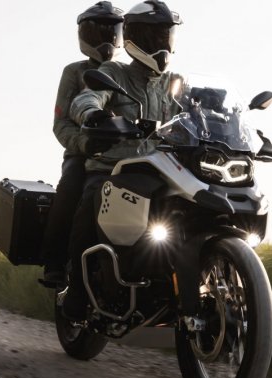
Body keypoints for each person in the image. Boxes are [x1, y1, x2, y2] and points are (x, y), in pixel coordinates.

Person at [60, 0, 189, 324]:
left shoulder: (176, 82)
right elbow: (87, 98)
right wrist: (94, 113)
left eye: (166, 37)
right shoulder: (113, 72)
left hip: (162, 171)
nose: (162, 44)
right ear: (135, 38)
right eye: (155, 37)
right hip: (111, 167)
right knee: (91, 202)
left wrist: (223, 117)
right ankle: (75, 291)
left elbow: (197, 111)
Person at [39, 1, 126, 288]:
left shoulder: (125, 73)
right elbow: (60, 123)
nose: (107, 39)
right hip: (82, 152)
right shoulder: (74, 72)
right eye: (98, 31)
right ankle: (54, 263)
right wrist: (84, 144)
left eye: (112, 32)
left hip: (125, 156)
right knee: (71, 186)